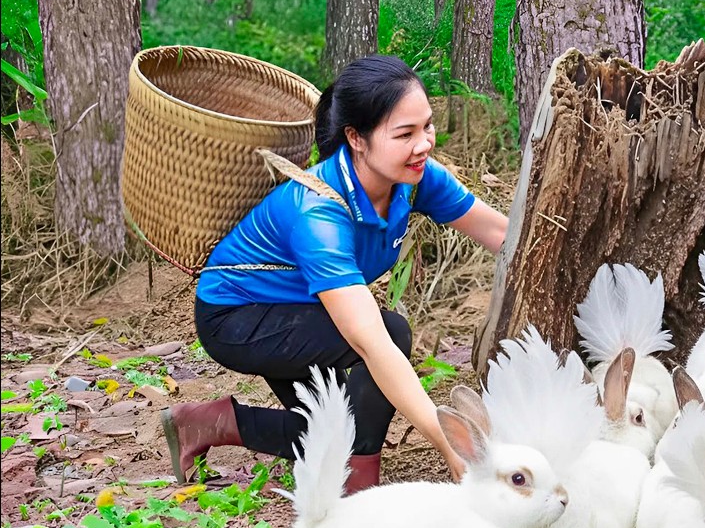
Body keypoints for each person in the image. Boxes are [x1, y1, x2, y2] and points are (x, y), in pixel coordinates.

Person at [160, 55, 507, 494]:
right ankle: (356, 481)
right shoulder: (320, 211)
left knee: (331, 426)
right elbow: (370, 341)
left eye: (427, 127)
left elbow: (502, 233)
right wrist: (448, 444)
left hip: (302, 309)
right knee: (390, 333)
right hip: (238, 317)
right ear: (356, 139)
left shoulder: (416, 179)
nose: (424, 144)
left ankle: (206, 424)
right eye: (405, 134)